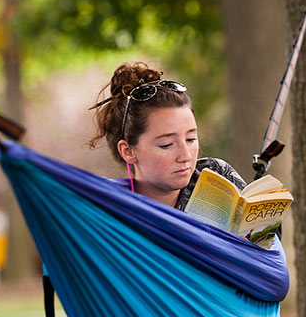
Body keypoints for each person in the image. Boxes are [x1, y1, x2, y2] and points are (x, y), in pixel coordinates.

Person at [89, 62, 246, 210]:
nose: (185, 156)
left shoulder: (216, 176)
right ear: (128, 151)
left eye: (191, 139)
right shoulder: (110, 212)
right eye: (167, 144)